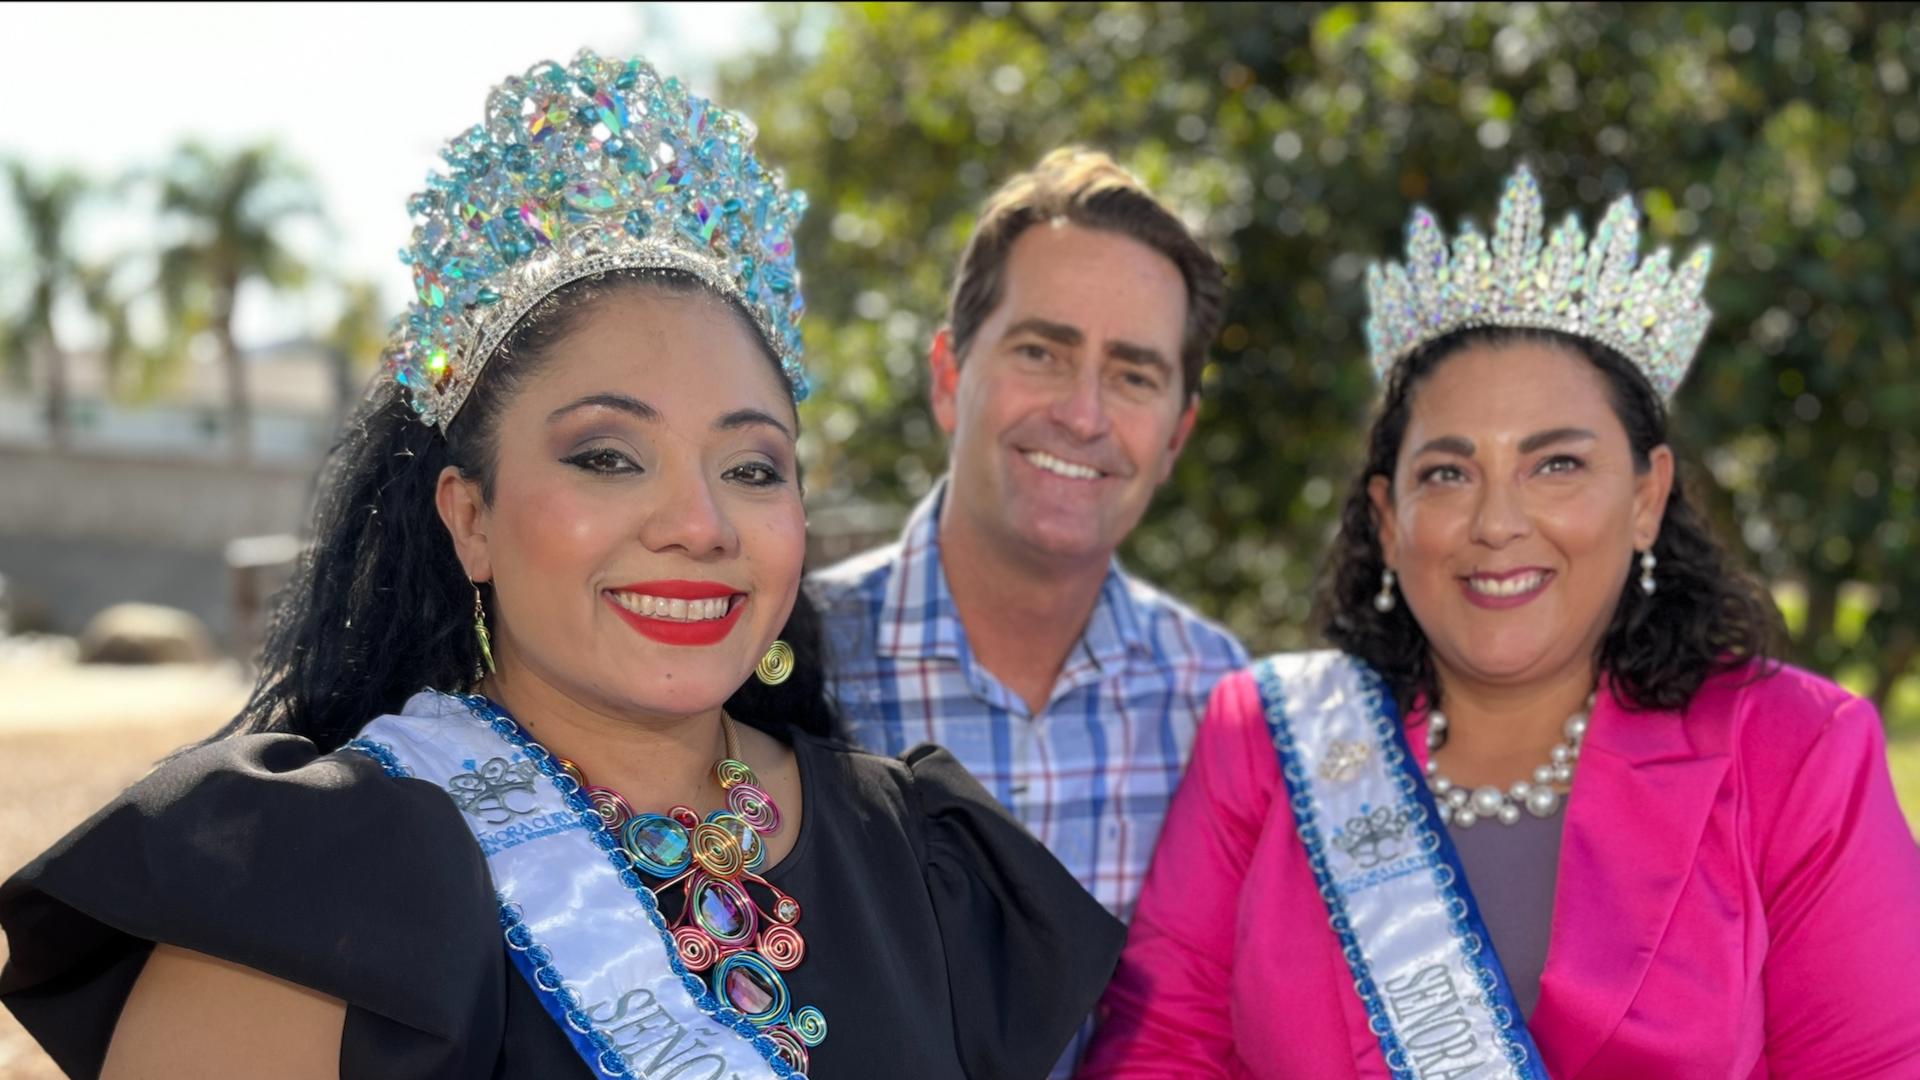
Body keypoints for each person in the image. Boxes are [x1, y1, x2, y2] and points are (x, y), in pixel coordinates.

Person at [0, 51, 1120, 1080]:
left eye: (753, 467)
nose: (699, 523)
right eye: (608, 456)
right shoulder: (307, 888)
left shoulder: (923, 865)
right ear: (469, 516)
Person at [1081, 166, 1920, 1077]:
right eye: (1447, 473)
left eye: (1555, 465)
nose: (1496, 522)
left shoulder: (1796, 752)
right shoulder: (1268, 739)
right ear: (1390, 520)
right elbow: (1164, 1050)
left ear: (1647, 498)